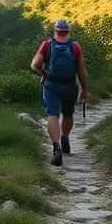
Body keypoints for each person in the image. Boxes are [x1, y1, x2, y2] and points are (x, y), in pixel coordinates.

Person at [30, 19, 88, 166]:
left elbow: (34, 65)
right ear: (68, 32)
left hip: (51, 85)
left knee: (52, 115)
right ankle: (65, 137)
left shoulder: (47, 44)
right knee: (68, 114)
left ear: (55, 31)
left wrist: (42, 73)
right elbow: (81, 71)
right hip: (69, 86)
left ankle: (56, 148)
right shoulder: (75, 47)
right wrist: (84, 90)